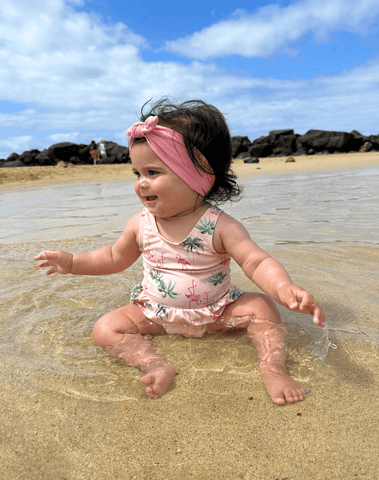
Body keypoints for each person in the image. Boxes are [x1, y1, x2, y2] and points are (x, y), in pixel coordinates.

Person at [34, 99, 325, 404]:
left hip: (217, 313)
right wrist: (74, 262)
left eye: (152, 172)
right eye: (137, 173)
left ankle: (273, 368)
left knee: (263, 308)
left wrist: (284, 287)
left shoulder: (220, 226)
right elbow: (112, 257)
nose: (141, 184)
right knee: (105, 329)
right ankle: (154, 364)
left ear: (199, 174)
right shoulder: (140, 224)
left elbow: (256, 261)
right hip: (155, 315)